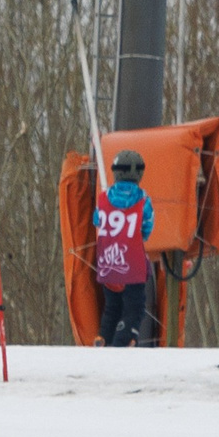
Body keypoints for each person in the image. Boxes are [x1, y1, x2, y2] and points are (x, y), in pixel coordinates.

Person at [92, 149, 155, 348]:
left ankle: (104, 337)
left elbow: (97, 220)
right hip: (132, 263)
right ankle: (123, 341)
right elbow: (147, 227)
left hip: (108, 261)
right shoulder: (143, 199)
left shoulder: (103, 198)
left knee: (112, 307)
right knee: (134, 308)